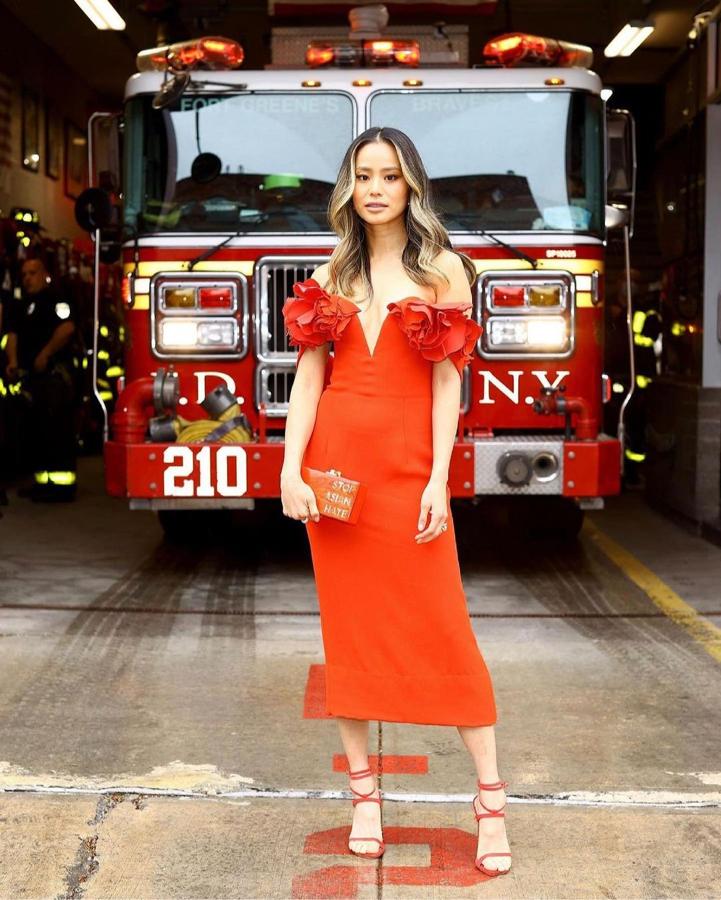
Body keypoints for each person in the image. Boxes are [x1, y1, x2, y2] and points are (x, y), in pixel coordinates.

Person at [279, 127, 511, 877]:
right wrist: (291, 471)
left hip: (409, 471)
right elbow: (308, 380)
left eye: (390, 176)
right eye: (363, 175)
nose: (375, 188)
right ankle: (364, 798)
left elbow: (449, 384)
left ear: (411, 186)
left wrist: (438, 478)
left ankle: (489, 801)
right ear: (349, 187)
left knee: (443, 629)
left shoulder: (443, 269)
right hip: (336, 474)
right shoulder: (331, 271)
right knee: (348, 636)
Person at [4, 256, 78, 501]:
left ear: (45, 274)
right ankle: (42, 484)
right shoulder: (23, 305)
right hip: (33, 380)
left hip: (54, 377)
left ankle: (62, 486)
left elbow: (66, 328)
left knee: (56, 430)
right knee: (35, 433)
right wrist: (13, 361)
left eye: (32, 273)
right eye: (24, 274)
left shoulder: (56, 299)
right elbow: (12, 335)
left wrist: (45, 354)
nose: (27, 279)